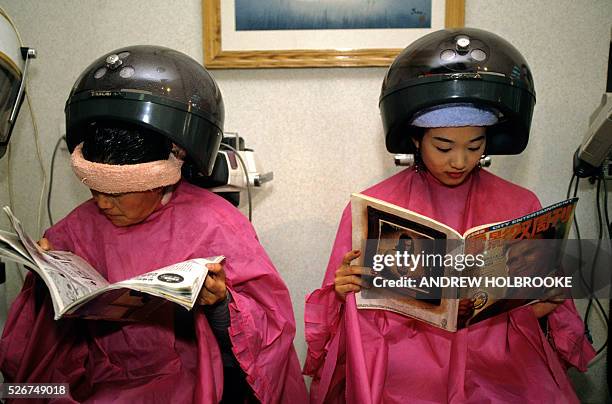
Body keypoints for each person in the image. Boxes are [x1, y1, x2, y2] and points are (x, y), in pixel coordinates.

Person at [0, 46, 307, 403]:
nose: (101, 203)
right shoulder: (74, 229)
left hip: (190, 381)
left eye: (118, 193)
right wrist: (42, 283)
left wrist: (221, 305)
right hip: (96, 384)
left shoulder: (215, 223)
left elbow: (270, 342)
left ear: (162, 179)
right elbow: (30, 362)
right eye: (94, 190)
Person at [304, 28, 595, 403]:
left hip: (500, 370)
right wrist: (345, 292)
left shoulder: (520, 204)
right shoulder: (373, 207)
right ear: (414, 140)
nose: (460, 161)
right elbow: (344, 330)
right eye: (443, 146)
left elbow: (537, 318)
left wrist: (545, 302)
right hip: (404, 372)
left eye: (475, 146)